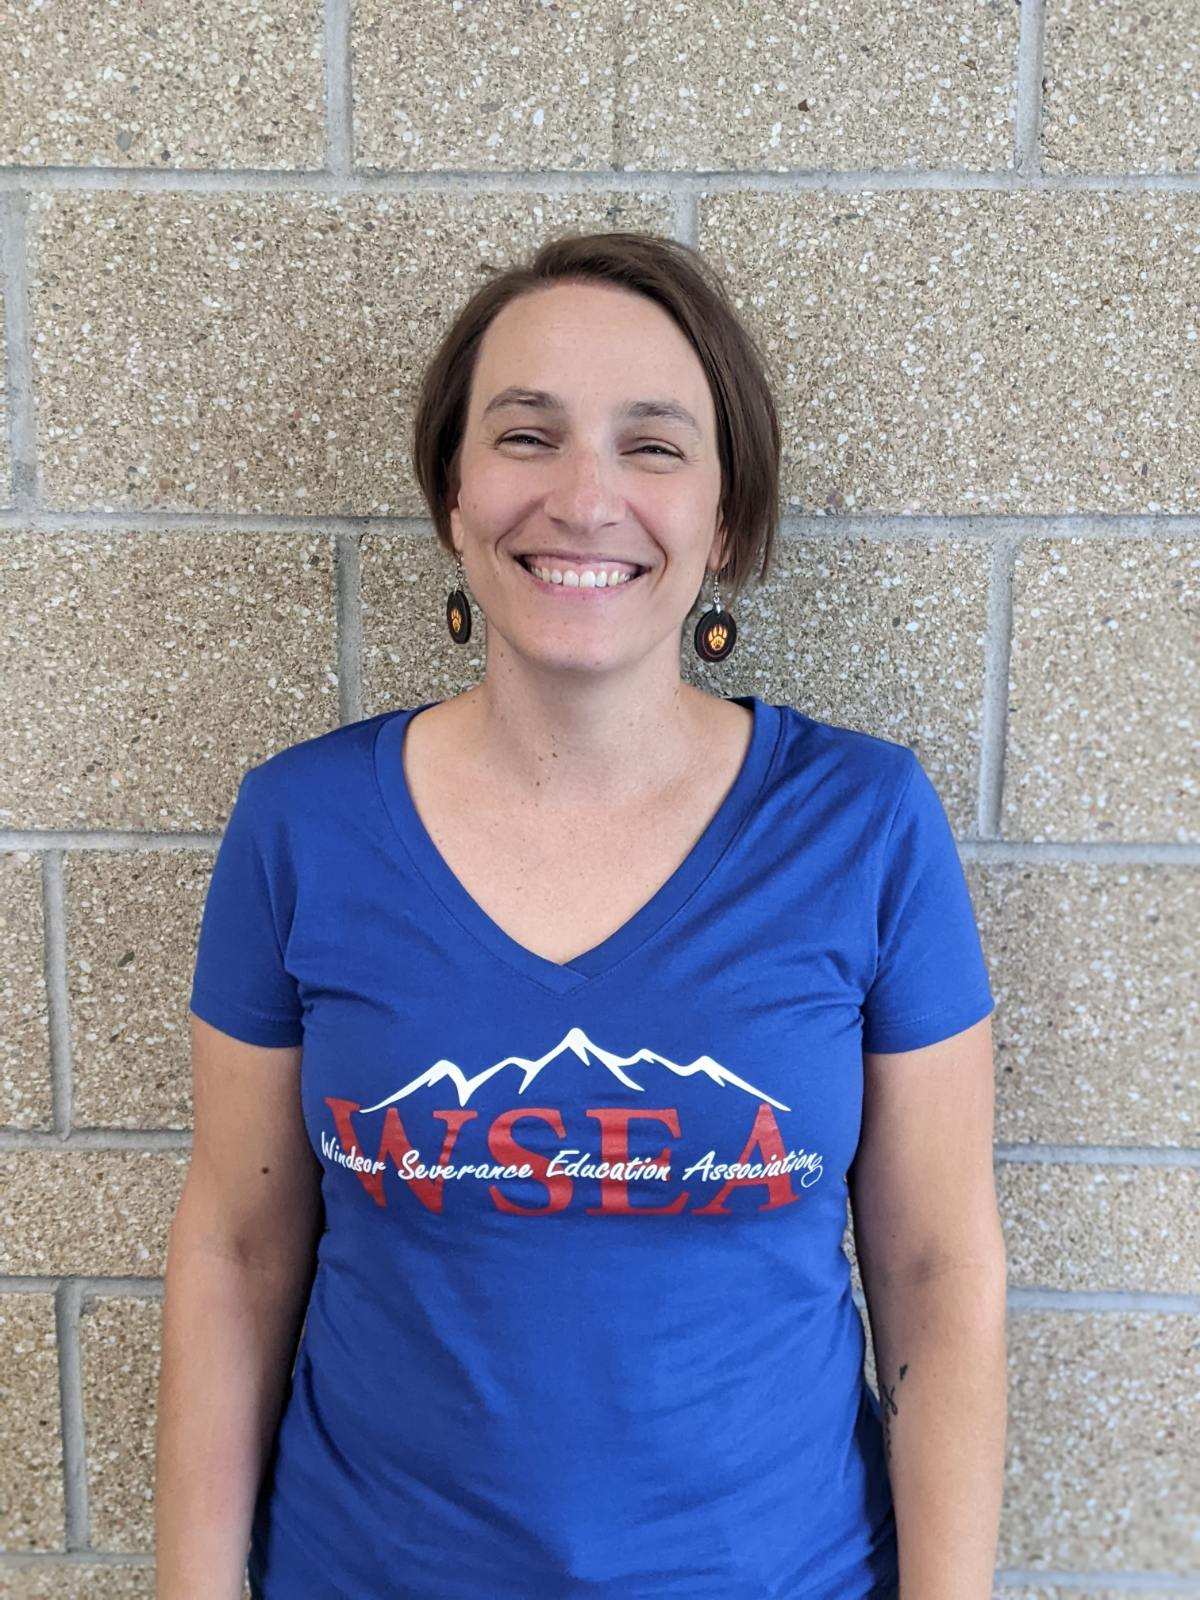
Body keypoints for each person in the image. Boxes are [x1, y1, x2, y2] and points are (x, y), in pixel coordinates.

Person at [155, 231, 1007, 1600]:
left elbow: (937, 1268)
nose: (585, 497)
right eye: (526, 435)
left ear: (726, 520)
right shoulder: (301, 826)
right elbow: (238, 1250)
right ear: (453, 495)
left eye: (652, 446)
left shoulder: (864, 824)